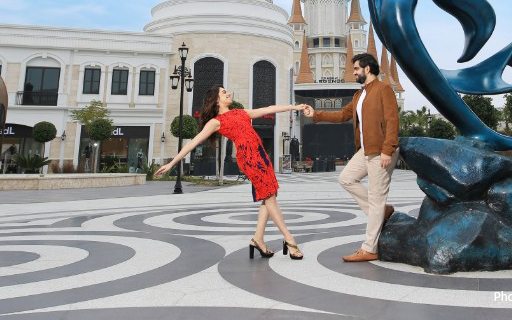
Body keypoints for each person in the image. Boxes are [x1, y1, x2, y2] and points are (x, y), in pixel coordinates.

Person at [155, 86, 310, 260]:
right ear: (215, 100)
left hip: (261, 154)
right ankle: (289, 239)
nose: (228, 93)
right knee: (269, 197)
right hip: (250, 158)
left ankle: (258, 239)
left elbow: (268, 109)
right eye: (223, 92)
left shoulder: (240, 112)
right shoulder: (216, 122)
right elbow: (193, 142)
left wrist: (294, 107)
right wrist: (172, 163)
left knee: (269, 195)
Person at [305, 53, 399, 262]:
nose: (354, 72)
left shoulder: (384, 89)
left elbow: (392, 120)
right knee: (346, 178)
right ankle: (382, 211)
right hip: (366, 150)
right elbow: (342, 115)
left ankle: (369, 248)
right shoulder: (359, 95)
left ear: (367, 69)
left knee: (376, 197)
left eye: (356, 69)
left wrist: (388, 149)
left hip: (381, 151)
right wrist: (316, 114)